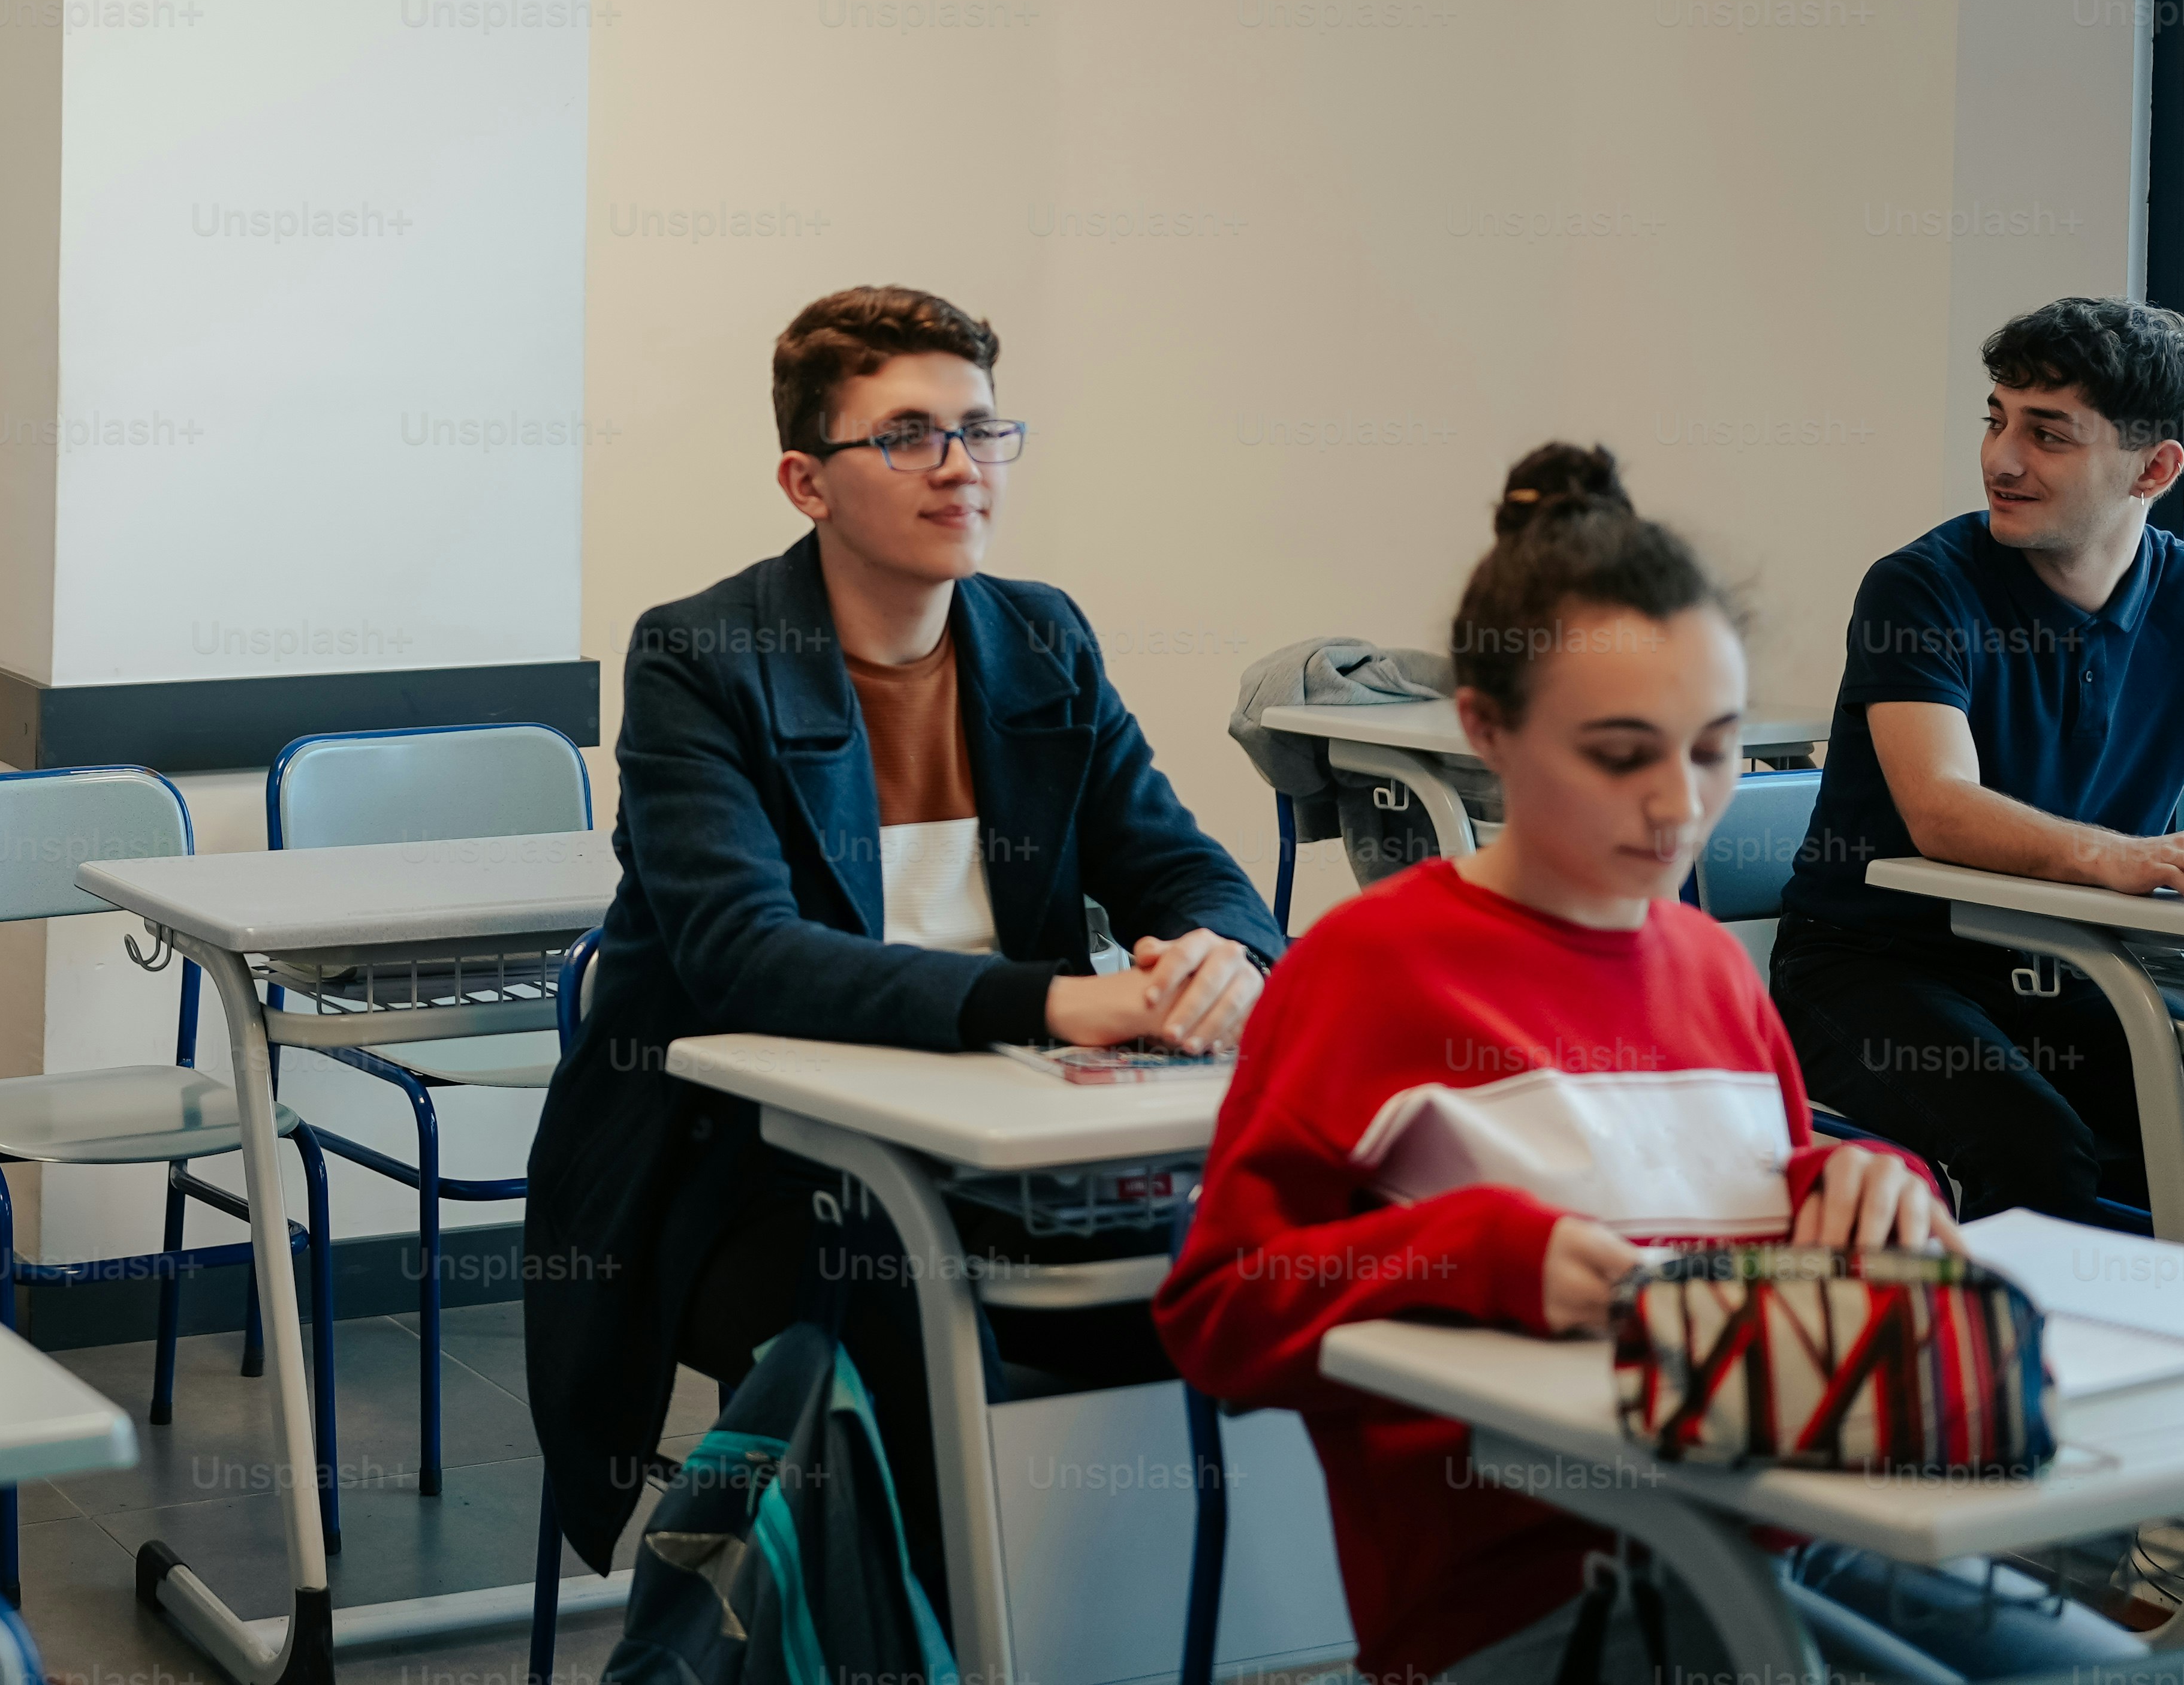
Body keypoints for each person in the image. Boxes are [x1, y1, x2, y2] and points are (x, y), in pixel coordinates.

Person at [1158, 446, 2141, 1684]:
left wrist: (1872, 1177)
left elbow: (1765, 1180)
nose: (1681, 803)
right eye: (1621, 752)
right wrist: (1487, 1256)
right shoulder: (1370, 970)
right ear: (1486, 732)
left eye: (1716, 746)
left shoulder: (1708, 963)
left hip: (1788, 1515)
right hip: (1532, 1590)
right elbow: (1220, 1316)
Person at [523, 284, 1281, 1593]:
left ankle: (1135, 1620)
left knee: (1239, 1274)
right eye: (910, 434)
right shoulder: (702, 656)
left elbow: (1178, 858)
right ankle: (921, 1629)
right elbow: (745, 956)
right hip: (744, 1165)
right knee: (905, 1321)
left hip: (1006, 1137)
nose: (960, 467)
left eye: (983, 431)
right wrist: (1057, 1002)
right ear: (806, 481)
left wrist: (1226, 948)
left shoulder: (1040, 633)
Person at [1774, 296, 2184, 1222]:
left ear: (2152, 469)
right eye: (1997, 420)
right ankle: (2012, 1365)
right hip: (1871, 970)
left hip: (2068, 964)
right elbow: (1941, 808)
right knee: (2038, 1152)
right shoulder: (1921, 586)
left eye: (2048, 434)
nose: (2002, 459)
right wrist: (2115, 855)